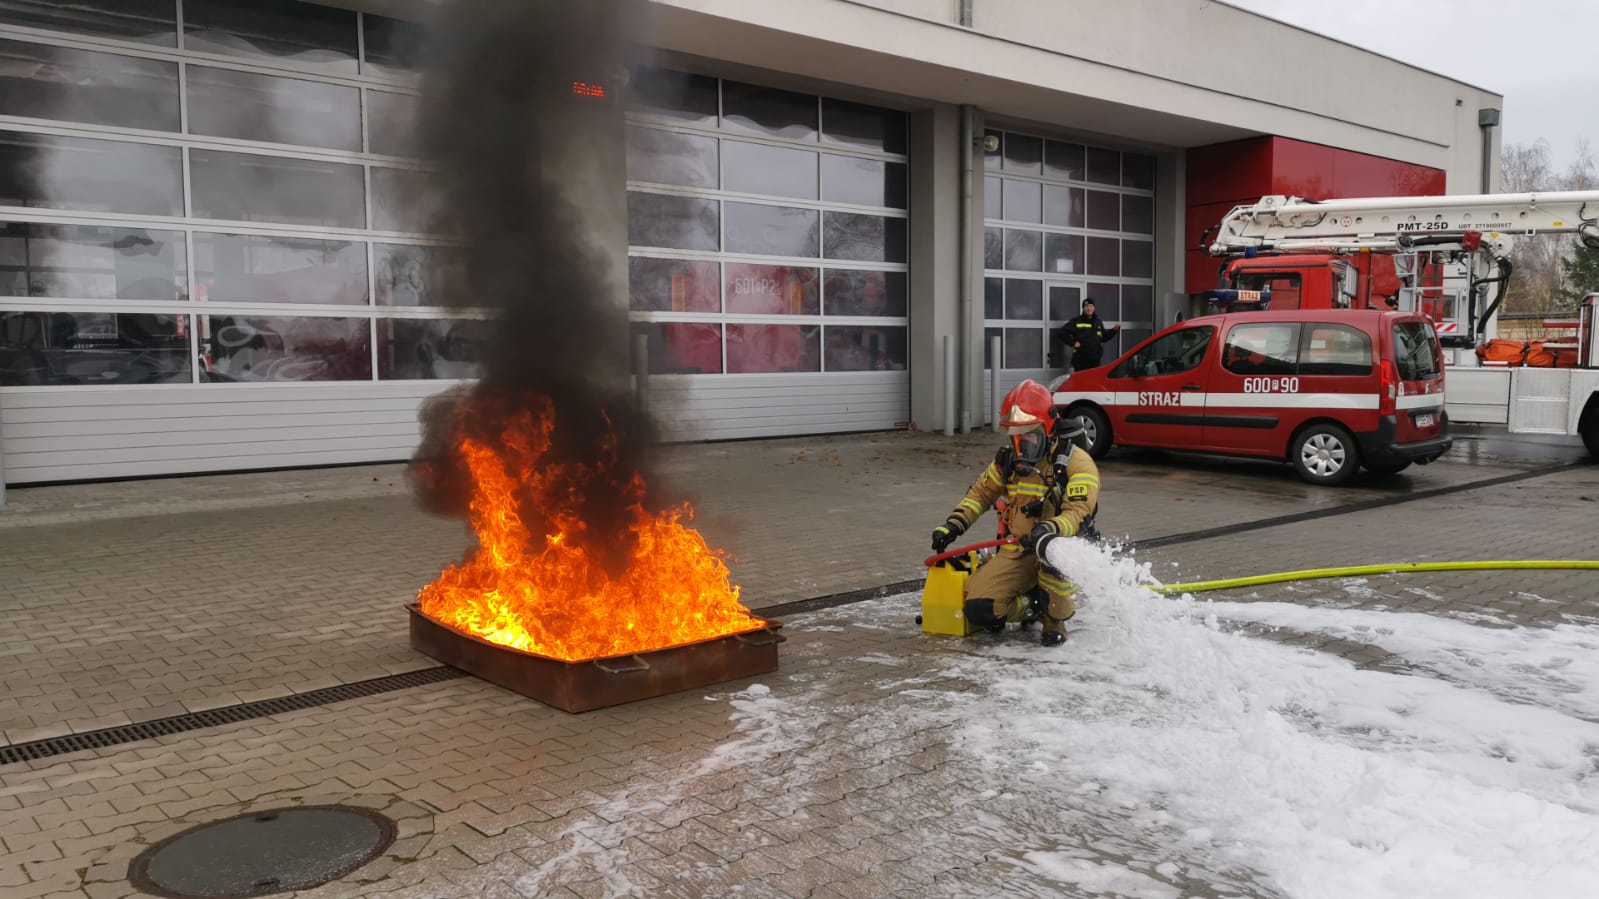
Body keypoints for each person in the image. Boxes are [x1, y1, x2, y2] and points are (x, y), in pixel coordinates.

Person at [930, 380, 1101, 647]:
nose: (1021, 448)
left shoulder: (1076, 463)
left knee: (1053, 575)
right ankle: (1032, 605)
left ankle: (1054, 619)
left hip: (1058, 552)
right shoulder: (1007, 461)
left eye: (1029, 437)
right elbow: (981, 494)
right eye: (1015, 438)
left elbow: (1078, 512)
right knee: (980, 609)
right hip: (1019, 549)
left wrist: (1049, 530)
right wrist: (953, 525)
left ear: (1048, 430)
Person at [1059, 298, 1120, 372]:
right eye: (1086, 306)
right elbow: (1062, 333)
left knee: (1094, 379)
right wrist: (1073, 343)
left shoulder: (1098, 322)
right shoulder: (1077, 321)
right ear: (1083, 308)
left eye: (1091, 306)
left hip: (1095, 360)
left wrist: (1114, 330)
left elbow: (1104, 337)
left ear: (1094, 308)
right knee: (1082, 379)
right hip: (1081, 360)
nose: (1089, 308)